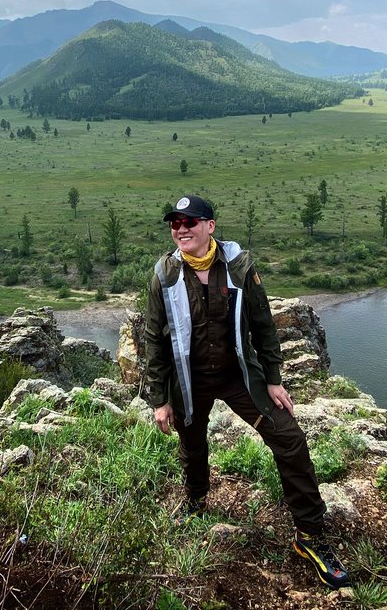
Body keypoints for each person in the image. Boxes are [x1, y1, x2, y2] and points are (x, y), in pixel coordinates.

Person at [143, 194, 350, 589]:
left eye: (191, 221)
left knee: (289, 439)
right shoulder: (165, 274)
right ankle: (196, 501)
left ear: (210, 226)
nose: (182, 228)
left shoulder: (239, 267)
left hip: (239, 376)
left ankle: (310, 537)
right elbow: (154, 339)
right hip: (189, 379)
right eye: (175, 223)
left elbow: (263, 323)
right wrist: (160, 399)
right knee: (192, 442)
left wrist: (273, 377)